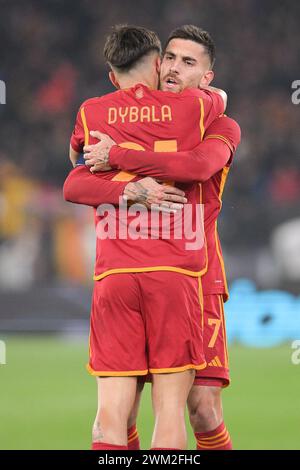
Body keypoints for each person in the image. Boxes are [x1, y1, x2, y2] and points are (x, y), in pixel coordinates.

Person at [65, 25, 240, 451]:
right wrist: (129, 188)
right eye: (171, 59)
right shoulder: (191, 111)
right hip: (168, 272)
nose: (175, 68)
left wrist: (115, 156)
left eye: (189, 62)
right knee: (146, 409)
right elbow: (75, 178)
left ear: (207, 76)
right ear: (157, 63)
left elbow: (197, 166)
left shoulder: (220, 123)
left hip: (199, 279)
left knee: (202, 408)